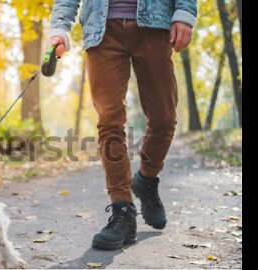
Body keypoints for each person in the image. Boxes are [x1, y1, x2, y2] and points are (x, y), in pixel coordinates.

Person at [48, 0, 197, 250]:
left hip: (154, 24)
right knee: (110, 121)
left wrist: (184, 12)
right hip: (101, 29)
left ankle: (147, 179)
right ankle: (123, 210)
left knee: (164, 118)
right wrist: (60, 28)